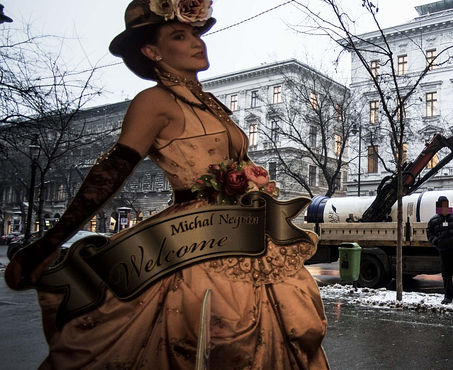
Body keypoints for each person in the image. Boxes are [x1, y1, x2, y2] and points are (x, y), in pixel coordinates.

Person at [4, 1, 329, 369]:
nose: (196, 42)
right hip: (194, 238)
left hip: (244, 230)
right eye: (180, 35)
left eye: (195, 33)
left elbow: (238, 160)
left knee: (292, 314)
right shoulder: (154, 101)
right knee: (223, 326)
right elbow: (113, 168)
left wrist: (254, 184)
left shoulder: (211, 105)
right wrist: (52, 239)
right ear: (151, 51)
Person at [426, 196, 453, 304]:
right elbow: (429, 233)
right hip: (443, 250)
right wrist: (437, 241)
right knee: (446, 274)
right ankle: (448, 297)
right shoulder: (434, 220)